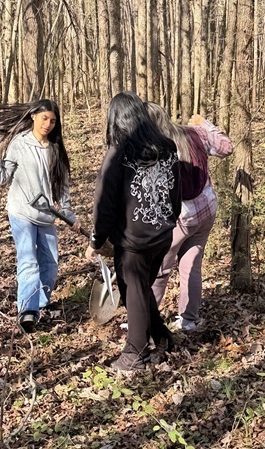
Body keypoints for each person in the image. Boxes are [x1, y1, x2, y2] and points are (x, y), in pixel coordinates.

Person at [0, 100, 81, 332]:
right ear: (33, 117)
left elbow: (63, 186)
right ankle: (27, 311)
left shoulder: (55, 148)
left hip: (46, 215)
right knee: (28, 260)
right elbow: (2, 178)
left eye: (52, 121)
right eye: (44, 119)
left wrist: (69, 214)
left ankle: (41, 303)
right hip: (21, 211)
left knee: (50, 264)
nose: (48, 124)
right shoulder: (19, 144)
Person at [85, 92, 182, 372]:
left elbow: (104, 203)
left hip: (134, 241)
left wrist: (97, 240)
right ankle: (162, 336)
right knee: (137, 292)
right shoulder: (166, 147)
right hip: (162, 234)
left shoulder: (118, 154)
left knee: (133, 294)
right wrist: (170, 219)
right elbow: (176, 189)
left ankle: (134, 354)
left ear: (115, 120)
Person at [145, 103, 233, 331]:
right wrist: (204, 123)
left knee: (159, 268)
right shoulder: (196, 133)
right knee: (191, 264)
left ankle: (145, 320)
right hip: (206, 209)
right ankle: (188, 319)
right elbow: (226, 147)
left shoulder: (155, 147)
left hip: (181, 217)